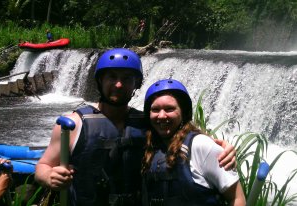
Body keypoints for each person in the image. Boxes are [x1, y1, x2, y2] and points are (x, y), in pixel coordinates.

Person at [35, 48, 237, 206]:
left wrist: (221, 146)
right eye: (112, 77)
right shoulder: (73, 124)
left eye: (126, 78)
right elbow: (42, 166)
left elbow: (184, 135)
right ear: (100, 81)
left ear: (136, 84)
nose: (119, 84)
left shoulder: (146, 122)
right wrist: (48, 176)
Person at [141, 79, 246, 206]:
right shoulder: (149, 145)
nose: (162, 115)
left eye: (169, 109)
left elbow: (236, 198)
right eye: (155, 109)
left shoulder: (201, 145)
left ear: (183, 112)